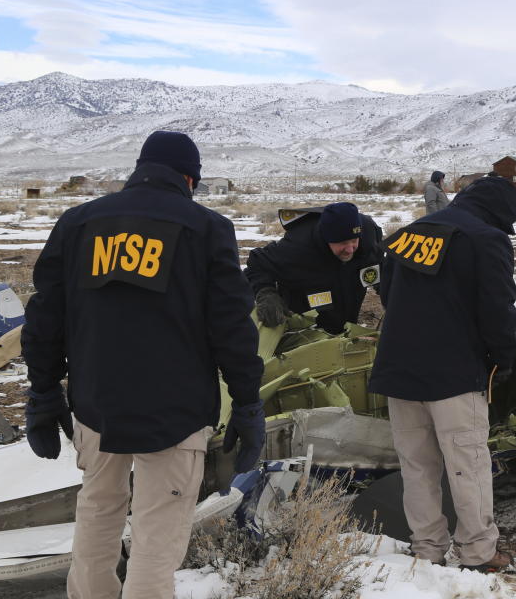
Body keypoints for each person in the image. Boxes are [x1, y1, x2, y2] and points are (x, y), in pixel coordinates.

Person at [22, 131, 265, 599]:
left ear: (139, 169)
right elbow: (233, 330)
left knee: (97, 509)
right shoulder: (207, 228)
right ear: (190, 179)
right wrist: (248, 402)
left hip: (96, 403)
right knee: (158, 533)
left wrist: (43, 392)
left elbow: (45, 318)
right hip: (175, 411)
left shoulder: (77, 223)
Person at [368, 175, 516, 572]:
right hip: (453, 373)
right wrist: (503, 358)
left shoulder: (408, 234)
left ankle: (427, 549)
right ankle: (479, 552)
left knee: (417, 466)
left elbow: (387, 295)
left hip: (398, 369)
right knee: (467, 464)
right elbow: (497, 310)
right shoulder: (486, 239)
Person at [245, 202, 383, 334]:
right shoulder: (296, 247)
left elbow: (380, 268)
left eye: (354, 241)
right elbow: (256, 264)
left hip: (348, 319)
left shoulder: (369, 238)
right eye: (343, 242)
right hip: (306, 327)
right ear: (327, 238)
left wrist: (389, 293)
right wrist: (266, 293)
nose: (350, 249)